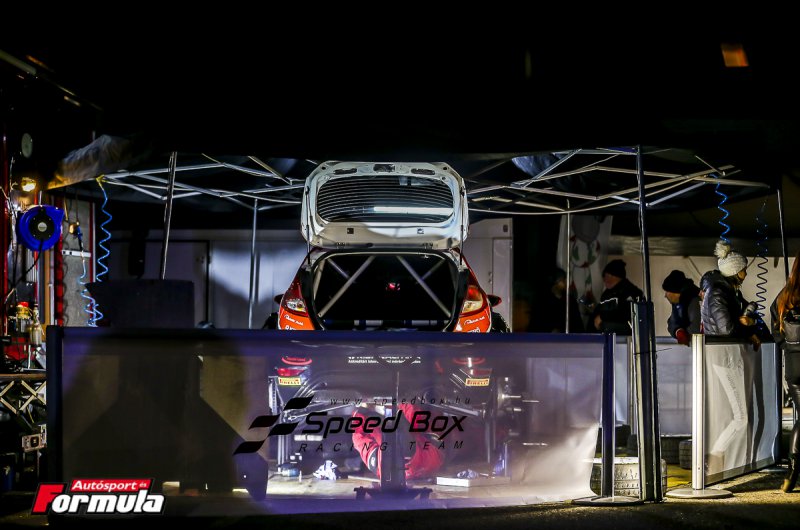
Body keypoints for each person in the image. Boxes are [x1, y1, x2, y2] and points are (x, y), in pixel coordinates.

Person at [769, 252, 800, 493]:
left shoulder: (785, 296)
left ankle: (792, 473)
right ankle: (793, 471)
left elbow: (775, 330)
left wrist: (787, 348)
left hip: (793, 366)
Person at [701, 241, 761, 347]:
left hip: (725, 349)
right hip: (720, 350)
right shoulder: (717, 294)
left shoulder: (731, 293)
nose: (746, 273)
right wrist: (747, 324)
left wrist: (751, 326)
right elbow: (726, 330)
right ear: (735, 271)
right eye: (744, 270)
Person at [592, 259, 643, 334]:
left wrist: (602, 317)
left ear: (612, 276)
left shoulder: (632, 292)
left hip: (626, 337)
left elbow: (627, 313)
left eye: (606, 276)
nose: (604, 280)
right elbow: (600, 310)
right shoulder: (607, 293)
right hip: (606, 335)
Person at [529, 268, 585, 333]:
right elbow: (537, 323)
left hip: (568, 338)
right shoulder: (542, 301)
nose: (566, 283)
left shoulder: (570, 300)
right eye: (562, 280)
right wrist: (550, 330)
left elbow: (578, 324)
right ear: (554, 282)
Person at [662, 270, 701, 345]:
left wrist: (684, 334)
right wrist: (678, 331)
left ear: (676, 292)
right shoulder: (678, 304)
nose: (665, 295)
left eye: (667, 291)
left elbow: (696, 329)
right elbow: (672, 322)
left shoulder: (694, 302)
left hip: (697, 345)